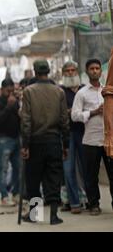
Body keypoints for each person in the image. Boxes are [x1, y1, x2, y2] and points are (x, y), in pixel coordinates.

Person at [21, 60, 69, 225]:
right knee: (54, 177)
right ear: (48, 71)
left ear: (35, 72)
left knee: (34, 179)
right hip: (54, 141)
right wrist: (66, 144)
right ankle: (54, 216)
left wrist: (25, 145)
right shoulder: (59, 91)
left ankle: (35, 215)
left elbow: (26, 121)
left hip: (35, 141)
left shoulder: (28, 91)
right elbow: (64, 120)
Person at [72, 59, 113, 216]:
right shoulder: (81, 93)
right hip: (90, 140)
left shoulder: (108, 91)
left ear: (101, 72)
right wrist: (93, 112)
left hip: (108, 140)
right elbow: (75, 115)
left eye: (97, 68)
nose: (95, 70)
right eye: (92, 68)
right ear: (87, 71)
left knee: (112, 174)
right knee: (91, 175)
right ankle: (94, 204)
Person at [60, 61, 87, 214]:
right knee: (68, 169)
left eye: (73, 70)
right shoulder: (59, 91)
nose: (70, 73)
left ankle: (89, 200)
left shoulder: (85, 89)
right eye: (67, 70)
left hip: (84, 132)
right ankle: (74, 202)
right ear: (63, 73)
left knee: (86, 168)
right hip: (66, 133)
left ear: (77, 71)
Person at [0, 78, 21, 207]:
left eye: (12, 91)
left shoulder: (15, 102)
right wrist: (9, 105)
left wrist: (19, 102)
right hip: (3, 139)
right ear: (2, 90)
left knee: (18, 168)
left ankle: (16, 194)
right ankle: (4, 196)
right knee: (2, 168)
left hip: (16, 138)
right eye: (8, 91)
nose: (10, 93)